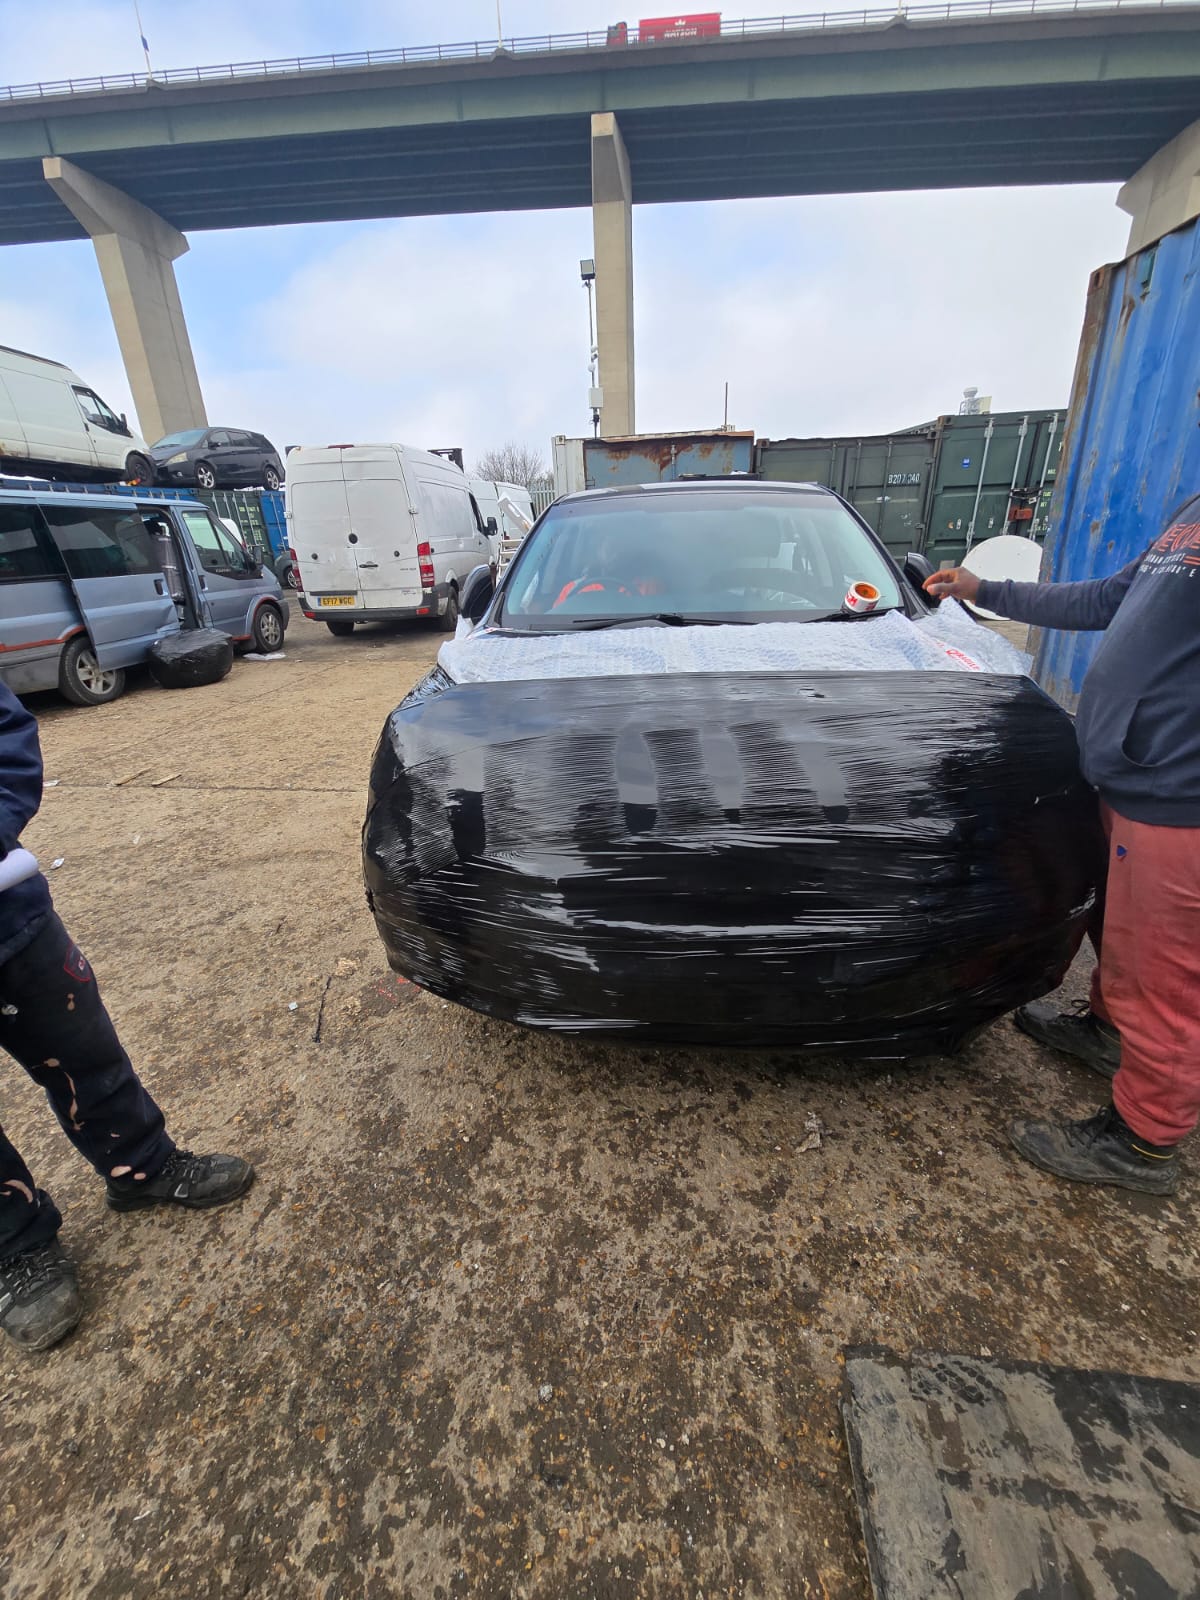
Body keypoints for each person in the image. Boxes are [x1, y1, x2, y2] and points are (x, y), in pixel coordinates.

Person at [925, 493, 1200, 1197]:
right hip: (1128, 773)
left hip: (1180, 794)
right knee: (1123, 934)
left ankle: (1144, 1144)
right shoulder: (1192, 511)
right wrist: (986, 590)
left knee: (1167, 976)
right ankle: (1108, 1033)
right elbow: (1111, 597)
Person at [0, 682, 253, 1352]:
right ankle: (16, 1248)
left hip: (11, 919)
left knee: (85, 1049)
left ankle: (141, 1169)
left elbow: (7, 735)